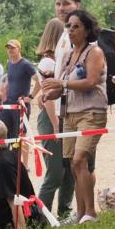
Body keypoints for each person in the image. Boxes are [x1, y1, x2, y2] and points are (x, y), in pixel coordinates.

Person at [41, 9, 106, 223]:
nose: (70, 30)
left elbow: (91, 81)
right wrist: (52, 92)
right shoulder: (68, 55)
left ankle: (90, 212)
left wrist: (62, 84)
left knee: (80, 159)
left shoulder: (94, 52)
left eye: (76, 26)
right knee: (73, 165)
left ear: (87, 30)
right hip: (69, 114)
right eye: (68, 26)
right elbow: (65, 86)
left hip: (91, 113)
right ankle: (81, 213)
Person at [33, 18, 74, 218]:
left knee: (68, 169)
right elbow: (48, 99)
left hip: (59, 118)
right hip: (51, 120)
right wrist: (57, 126)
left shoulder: (57, 62)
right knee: (55, 172)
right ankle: (41, 214)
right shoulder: (48, 62)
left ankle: (65, 211)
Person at [0, 39, 39, 140]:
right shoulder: (10, 63)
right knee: (6, 134)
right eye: (8, 48)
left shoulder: (25, 64)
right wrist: (3, 93)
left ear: (19, 49)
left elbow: (39, 80)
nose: (10, 50)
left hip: (20, 106)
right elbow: (9, 80)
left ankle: (21, 156)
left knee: (21, 137)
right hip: (8, 104)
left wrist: (31, 97)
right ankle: (10, 156)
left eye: (13, 48)